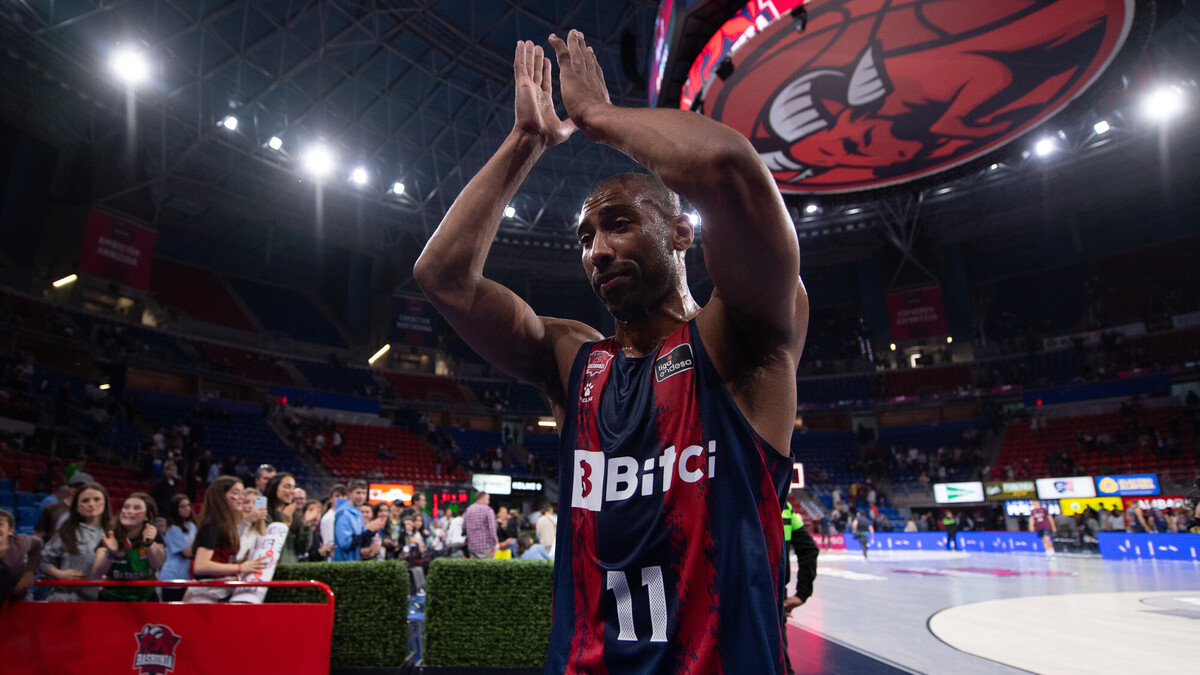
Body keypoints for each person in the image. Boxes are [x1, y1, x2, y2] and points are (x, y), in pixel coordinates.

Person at [413, 32, 807, 673]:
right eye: (585, 237)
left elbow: (728, 168)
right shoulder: (573, 360)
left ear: (681, 232)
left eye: (619, 223)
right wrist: (526, 141)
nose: (597, 251)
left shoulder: (742, 336)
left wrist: (598, 117)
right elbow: (443, 277)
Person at [186, 476, 268, 603]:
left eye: (242, 493)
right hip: (207, 594)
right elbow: (200, 566)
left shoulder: (226, 524)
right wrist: (240, 567)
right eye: (236, 493)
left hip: (225, 590)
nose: (241, 497)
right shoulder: (212, 525)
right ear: (221, 496)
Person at [40, 482, 113, 602]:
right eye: (85, 501)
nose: (91, 504)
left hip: (104, 603)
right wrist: (59, 574)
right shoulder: (66, 532)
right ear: (77, 508)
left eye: (96, 499)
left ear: (105, 503)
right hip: (65, 600)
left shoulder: (115, 533)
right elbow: (43, 561)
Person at [94, 492, 164, 602]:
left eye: (136, 508)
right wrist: (110, 554)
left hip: (146, 599)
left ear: (148, 516)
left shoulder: (153, 535)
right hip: (111, 599)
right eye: (126, 507)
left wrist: (150, 544)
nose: (129, 511)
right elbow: (98, 572)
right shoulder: (110, 535)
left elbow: (157, 564)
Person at [333, 480, 386, 562]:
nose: (361, 496)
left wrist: (372, 532)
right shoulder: (344, 514)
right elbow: (345, 543)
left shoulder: (357, 513)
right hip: (343, 563)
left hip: (355, 561)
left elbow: (360, 538)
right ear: (349, 494)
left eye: (364, 493)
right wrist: (369, 531)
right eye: (358, 493)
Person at [265, 473, 309, 565]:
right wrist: (285, 523)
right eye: (287, 487)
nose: (292, 491)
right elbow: (270, 546)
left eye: (293, 488)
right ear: (274, 487)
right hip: (273, 566)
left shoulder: (294, 514)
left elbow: (302, 547)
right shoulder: (265, 515)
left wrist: (307, 524)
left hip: (292, 566)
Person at [1, 508, 42, 605]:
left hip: (20, 599)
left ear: (10, 531)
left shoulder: (20, 543)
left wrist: (29, 571)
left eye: (0, 524)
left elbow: (37, 543)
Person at [160, 494, 197, 601]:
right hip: (172, 574)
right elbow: (186, 552)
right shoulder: (172, 529)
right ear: (175, 509)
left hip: (186, 574)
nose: (187, 508)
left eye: (188, 505)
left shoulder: (192, 526)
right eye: (182, 506)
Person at [462, 492, 498, 559]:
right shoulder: (488, 510)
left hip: (471, 548)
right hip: (485, 548)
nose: (489, 502)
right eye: (488, 499)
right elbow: (492, 530)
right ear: (483, 498)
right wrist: (494, 545)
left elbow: (463, 527)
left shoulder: (468, 510)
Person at [319, 483, 347, 560]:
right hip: (333, 557)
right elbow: (328, 543)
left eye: (343, 496)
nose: (341, 499)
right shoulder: (329, 518)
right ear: (331, 499)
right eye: (337, 496)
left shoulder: (345, 516)